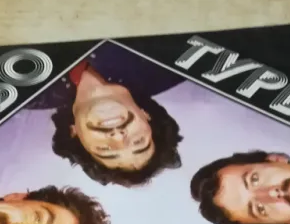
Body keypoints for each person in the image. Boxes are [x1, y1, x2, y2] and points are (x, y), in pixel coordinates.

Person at [33, 43, 183, 187]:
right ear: (147, 116)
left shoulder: (35, 93)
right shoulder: (167, 64)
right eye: (138, 141)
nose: (117, 137)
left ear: (74, 133)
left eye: (105, 150)